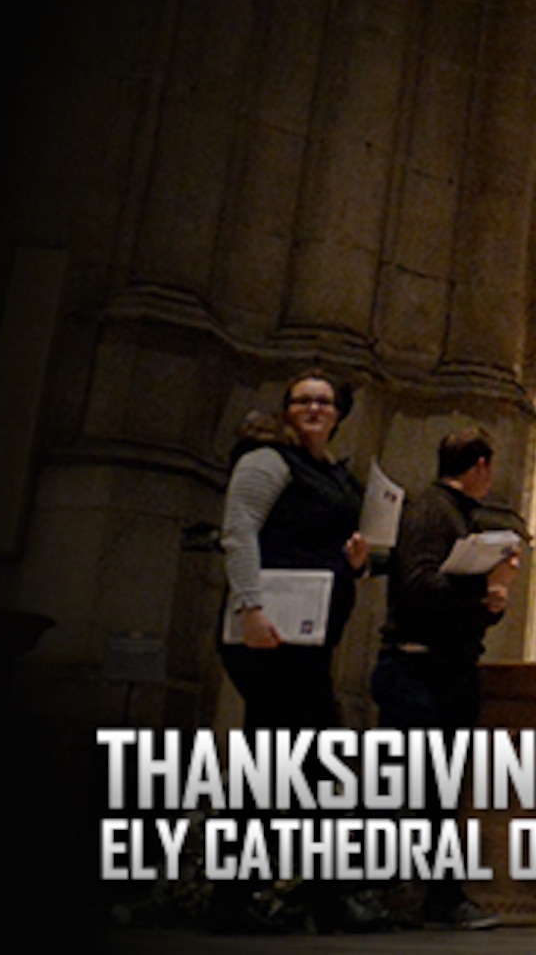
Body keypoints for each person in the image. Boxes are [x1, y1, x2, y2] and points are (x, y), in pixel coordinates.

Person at [213, 369, 381, 933]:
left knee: (292, 765)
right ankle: (306, 898)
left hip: (307, 637)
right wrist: (250, 606)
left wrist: (357, 561)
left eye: (323, 401)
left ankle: (265, 897)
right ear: (287, 410)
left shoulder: (332, 472)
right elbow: (238, 532)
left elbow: (330, 543)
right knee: (292, 764)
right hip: (267, 633)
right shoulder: (267, 462)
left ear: (338, 412)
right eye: (302, 400)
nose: (313, 408)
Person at [371, 426, 518, 931]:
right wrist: (483, 592)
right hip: (417, 670)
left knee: (438, 793)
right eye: (490, 468)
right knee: (403, 789)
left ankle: (440, 898)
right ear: (481, 466)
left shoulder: (460, 516)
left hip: (445, 669)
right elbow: (417, 584)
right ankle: (381, 895)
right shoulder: (433, 511)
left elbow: (455, 603)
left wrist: (492, 600)